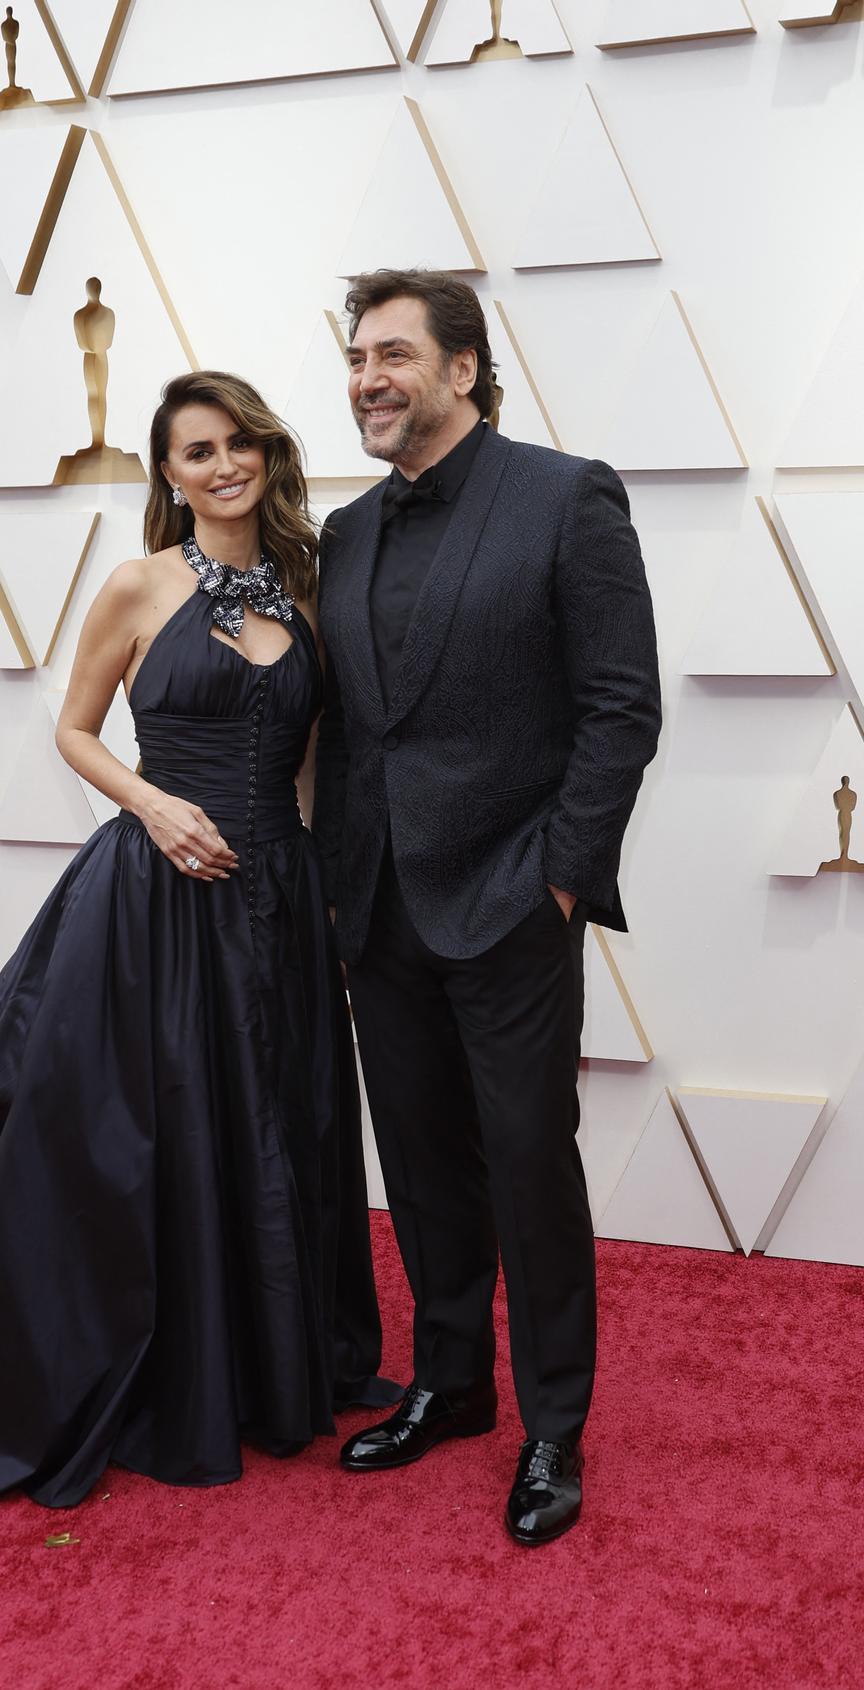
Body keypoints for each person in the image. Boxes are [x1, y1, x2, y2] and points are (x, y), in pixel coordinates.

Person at [0, 371, 396, 1510]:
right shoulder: (137, 584)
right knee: (138, 1133)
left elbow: (316, 754)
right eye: (196, 452)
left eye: (238, 444)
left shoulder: (310, 591)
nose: (221, 466)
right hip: (155, 899)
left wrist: (313, 878)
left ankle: (274, 1358)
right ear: (167, 473)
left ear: (267, 453)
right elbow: (74, 729)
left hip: (278, 898)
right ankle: (160, 1354)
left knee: (279, 1115)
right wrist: (155, 807)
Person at [314, 269, 661, 1546]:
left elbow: (622, 708)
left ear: (464, 367)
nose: (367, 377)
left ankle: (554, 1426)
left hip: (514, 902)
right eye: (357, 357)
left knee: (528, 1164)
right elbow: (352, 732)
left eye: (394, 352)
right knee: (419, 1167)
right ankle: (451, 1384)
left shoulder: (567, 497)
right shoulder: (344, 533)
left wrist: (559, 881)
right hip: (383, 911)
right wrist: (345, 891)